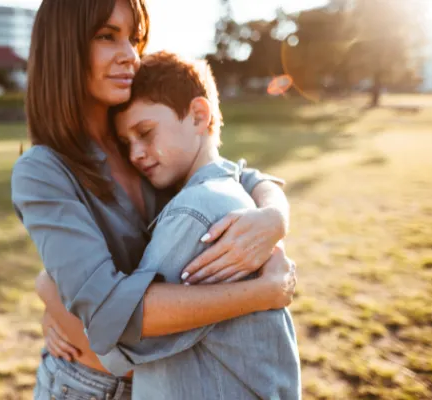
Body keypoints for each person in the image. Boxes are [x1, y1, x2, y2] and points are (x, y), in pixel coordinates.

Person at [11, 0, 297, 399]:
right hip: (89, 387)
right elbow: (111, 311)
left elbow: (239, 174)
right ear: (65, 46)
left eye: (134, 38)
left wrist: (274, 215)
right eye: (108, 36)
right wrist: (262, 294)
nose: (129, 55)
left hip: (170, 384)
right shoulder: (43, 170)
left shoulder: (143, 143)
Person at [93, 50, 300, 399]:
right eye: (127, 143)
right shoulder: (229, 191)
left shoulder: (195, 212)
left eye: (145, 132)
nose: (135, 154)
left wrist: (49, 295)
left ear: (198, 115)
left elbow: (122, 335)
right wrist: (276, 210)